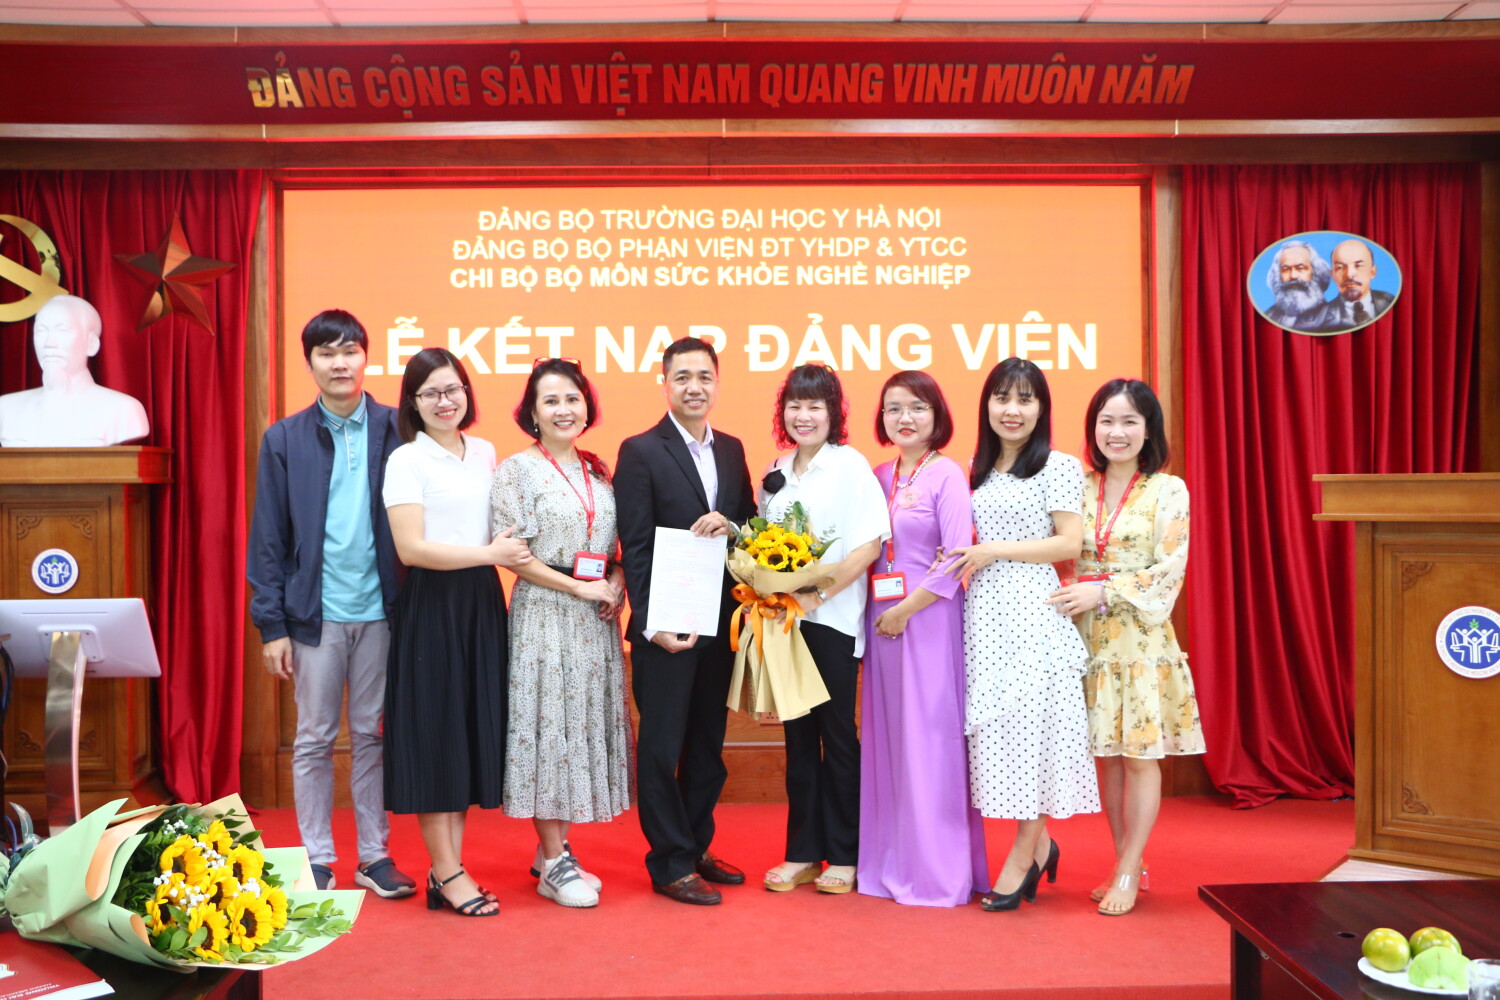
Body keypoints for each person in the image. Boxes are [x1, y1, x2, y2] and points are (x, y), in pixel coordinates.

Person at [247, 308, 415, 898]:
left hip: (384, 613)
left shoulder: (400, 429)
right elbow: (268, 538)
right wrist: (272, 625)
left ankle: (374, 855)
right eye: (327, 353)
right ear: (310, 363)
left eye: (350, 351)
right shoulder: (285, 439)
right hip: (313, 617)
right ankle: (317, 858)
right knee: (315, 738)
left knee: (372, 734)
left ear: (366, 358)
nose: (340, 363)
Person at [942, 357, 1099, 913]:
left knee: (1033, 733)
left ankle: (1021, 854)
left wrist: (992, 550)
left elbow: (1068, 544)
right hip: (984, 614)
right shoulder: (975, 468)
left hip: (1033, 610)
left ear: (1041, 409)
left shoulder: (1058, 465)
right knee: (1000, 734)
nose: (1012, 410)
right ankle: (1043, 846)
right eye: (1002, 398)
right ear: (986, 404)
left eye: (1025, 399)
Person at [381, 346, 533, 917]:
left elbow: (502, 529)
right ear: (413, 403)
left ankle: (447, 870)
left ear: (467, 392)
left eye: (453, 389)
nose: (444, 401)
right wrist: (489, 553)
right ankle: (448, 872)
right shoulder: (406, 460)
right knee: (435, 738)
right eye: (431, 393)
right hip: (433, 605)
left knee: (465, 735)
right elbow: (411, 549)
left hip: (480, 604)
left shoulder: (486, 452)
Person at [1047, 378, 1204, 917]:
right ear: (1093, 428)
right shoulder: (1076, 484)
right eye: (1106, 421)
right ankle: (1124, 861)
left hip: (1138, 639)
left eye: (1129, 421)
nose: (1116, 432)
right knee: (1106, 759)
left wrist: (1104, 590)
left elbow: (1171, 566)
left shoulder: (1169, 490)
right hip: (1082, 638)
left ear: (1148, 430)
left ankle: (1131, 868)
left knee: (1138, 756)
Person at [614, 337, 757, 906]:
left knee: (706, 746)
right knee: (661, 748)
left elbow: (749, 523)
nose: (694, 387)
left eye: (704, 377)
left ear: (716, 383)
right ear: (665, 383)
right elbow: (635, 543)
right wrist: (651, 624)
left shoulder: (732, 449)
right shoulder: (640, 450)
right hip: (666, 629)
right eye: (682, 377)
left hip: (720, 623)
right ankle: (669, 862)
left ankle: (696, 846)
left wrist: (733, 525)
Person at [490, 359, 632, 909]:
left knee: (577, 728)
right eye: (550, 401)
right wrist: (579, 589)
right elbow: (513, 554)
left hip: (593, 621)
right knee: (550, 730)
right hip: (546, 615)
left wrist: (615, 580)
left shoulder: (597, 471)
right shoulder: (516, 470)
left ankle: (555, 850)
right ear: (532, 412)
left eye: (572, 398)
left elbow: (612, 549)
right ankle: (553, 863)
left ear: (586, 406)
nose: (563, 409)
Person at [758, 364, 888, 896]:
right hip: (785, 623)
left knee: (836, 737)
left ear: (833, 413)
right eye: (795, 404)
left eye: (815, 405)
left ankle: (847, 853)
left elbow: (868, 547)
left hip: (832, 621)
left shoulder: (850, 466)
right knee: (797, 739)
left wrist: (818, 594)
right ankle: (802, 852)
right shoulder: (776, 470)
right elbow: (762, 545)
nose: (803, 415)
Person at [858, 371, 987, 907]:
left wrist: (905, 611)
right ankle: (892, 862)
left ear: (937, 415)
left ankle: (937, 871)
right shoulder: (878, 474)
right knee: (890, 743)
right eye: (893, 408)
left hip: (927, 620)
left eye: (916, 407)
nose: (904, 418)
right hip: (881, 620)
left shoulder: (947, 474)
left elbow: (956, 558)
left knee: (930, 742)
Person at [0, 294, 149, 447]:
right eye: (41, 331)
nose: (49, 343)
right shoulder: (6, 409)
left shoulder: (123, 410)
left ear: (92, 344)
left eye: (63, 331)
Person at [1309, 238, 1395, 331]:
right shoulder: (1319, 318)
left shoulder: (1390, 302)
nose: (1349, 274)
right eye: (1340, 267)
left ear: (1372, 272)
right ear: (1333, 275)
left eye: (1358, 266)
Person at [1260, 240, 1332, 332]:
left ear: (1316, 272)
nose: (1293, 276)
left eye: (1300, 268)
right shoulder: (1268, 316)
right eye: (1286, 269)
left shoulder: (1333, 317)